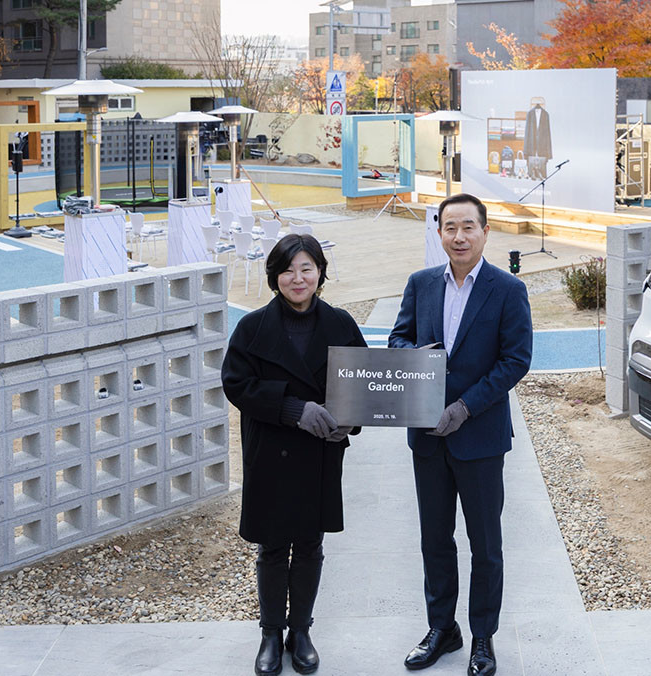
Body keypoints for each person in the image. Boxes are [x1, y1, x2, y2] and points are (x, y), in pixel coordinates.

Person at [389, 193, 533, 676]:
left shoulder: (507, 290)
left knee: (485, 545)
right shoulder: (421, 283)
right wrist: (417, 361)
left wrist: (465, 406)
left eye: (468, 226)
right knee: (435, 539)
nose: (459, 236)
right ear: (439, 233)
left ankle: (483, 638)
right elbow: (398, 338)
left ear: (485, 232)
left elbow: (515, 360)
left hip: (480, 437)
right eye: (450, 227)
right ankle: (442, 628)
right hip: (427, 436)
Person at [222, 234, 367, 676]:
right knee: (271, 546)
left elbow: (364, 383)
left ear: (320, 273)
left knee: (309, 544)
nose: (297, 278)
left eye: (307, 268)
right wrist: (292, 409)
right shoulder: (252, 327)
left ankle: (300, 631)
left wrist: (349, 421)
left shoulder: (341, 323)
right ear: (274, 277)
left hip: (320, 453)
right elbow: (236, 384)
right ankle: (270, 633)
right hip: (271, 451)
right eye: (287, 270)